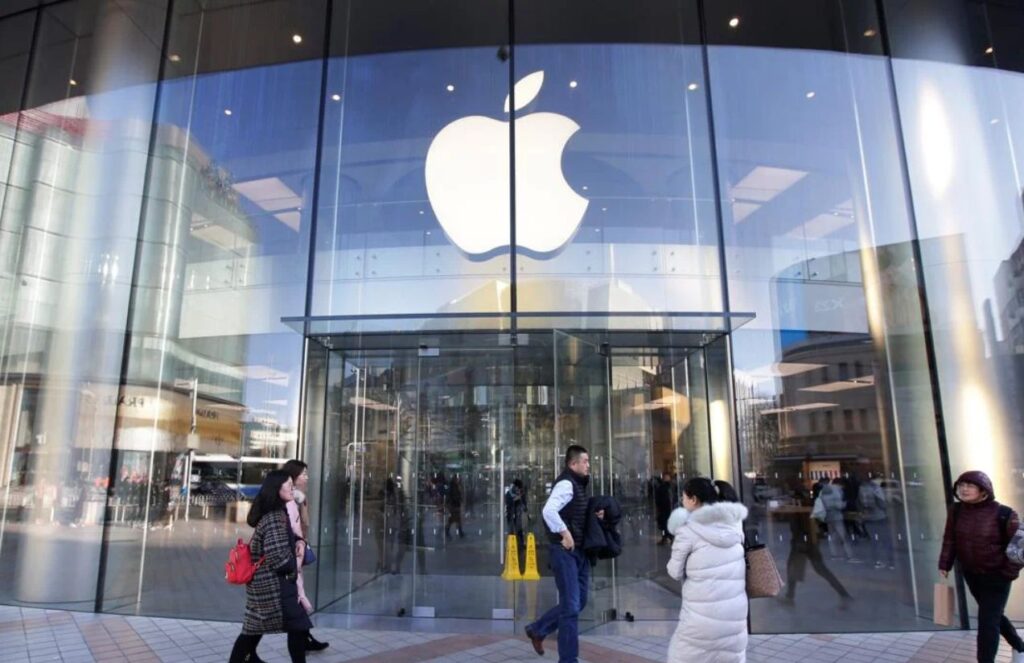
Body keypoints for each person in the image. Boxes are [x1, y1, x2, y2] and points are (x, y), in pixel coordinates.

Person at [939, 471, 1024, 663]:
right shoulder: (957, 510)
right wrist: (945, 563)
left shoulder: (1005, 513)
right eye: (961, 485)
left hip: (997, 576)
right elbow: (950, 539)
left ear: (983, 490)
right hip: (971, 573)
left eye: (970, 486)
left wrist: (1007, 573)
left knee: (987, 623)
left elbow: (1020, 547)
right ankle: (1020, 647)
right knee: (993, 616)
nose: (964, 489)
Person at [228, 470, 312, 663]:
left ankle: (242, 659)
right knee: (296, 626)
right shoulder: (275, 517)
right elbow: (277, 558)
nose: (293, 488)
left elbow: (284, 541)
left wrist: (298, 541)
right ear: (277, 489)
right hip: (273, 587)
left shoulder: (277, 512)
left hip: (270, 585)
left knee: (256, 629)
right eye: (289, 485)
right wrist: (294, 563)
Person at [666, 478, 748, 663]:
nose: (682, 500)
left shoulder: (687, 530)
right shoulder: (735, 526)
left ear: (694, 499)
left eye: (684, 497)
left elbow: (674, 571)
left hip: (700, 617)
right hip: (735, 616)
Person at [525, 445, 594, 663]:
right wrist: (565, 534)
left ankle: (538, 629)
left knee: (578, 602)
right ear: (573, 464)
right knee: (571, 606)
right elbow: (548, 510)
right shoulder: (566, 483)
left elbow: (575, 512)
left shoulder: (578, 485)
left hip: (579, 553)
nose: (588, 465)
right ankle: (568, 659)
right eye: (585, 461)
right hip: (565, 552)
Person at [282, 460, 329, 653]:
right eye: (303, 474)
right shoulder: (289, 501)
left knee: (298, 599)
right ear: (293, 477)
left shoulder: (299, 499)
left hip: (296, 558)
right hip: (290, 559)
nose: (307, 477)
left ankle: (306, 639)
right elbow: (295, 529)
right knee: (297, 601)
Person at [655, 472, 675, 546]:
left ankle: (669, 537)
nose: (666, 478)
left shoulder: (670, 486)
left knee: (666, 524)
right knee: (663, 524)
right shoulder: (662, 487)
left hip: (668, 508)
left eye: (667, 477)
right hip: (664, 508)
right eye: (665, 477)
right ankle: (666, 537)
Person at [445, 475, 464, 540]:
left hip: (455, 505)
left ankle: (460, 532)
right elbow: (454, 496)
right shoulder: (453, 487)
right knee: (453, 519)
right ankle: (458, 532)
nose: (458, 480)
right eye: (457, 479)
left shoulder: (455, 486)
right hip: (454, 505)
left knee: (456, 519)